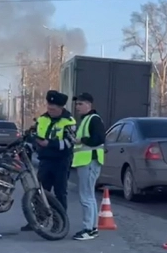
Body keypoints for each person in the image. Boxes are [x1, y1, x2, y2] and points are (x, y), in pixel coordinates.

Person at [22, 90, 75, 232]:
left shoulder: (68, 121)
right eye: (49, 108)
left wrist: (49, 144)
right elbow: (33, 134)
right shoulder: (42, 119)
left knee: (60, 193)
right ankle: (37, 221)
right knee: (40, 193)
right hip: (45, 161)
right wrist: (29, 142)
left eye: (53, 109)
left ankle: (59, 223)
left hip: (61, 161)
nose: (50, 111)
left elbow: (70, 142)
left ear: (61, 108)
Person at [70, 93, 105, 241]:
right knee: (89, 196)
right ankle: (92, 228)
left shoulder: (93, 119)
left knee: (86, 197)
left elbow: (98, 138)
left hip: (89, 161)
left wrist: (80, 139)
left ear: (89, 105)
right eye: (76, 104)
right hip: (86, 162)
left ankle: (88, 229)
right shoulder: (87, 119)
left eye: (80, 104)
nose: (77, 107)